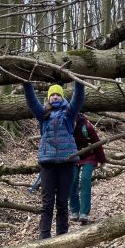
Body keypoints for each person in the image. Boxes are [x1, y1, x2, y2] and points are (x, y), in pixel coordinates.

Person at [23, 81, 85, 239]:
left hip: (66, 163)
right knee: (47, 203)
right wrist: (26, 84)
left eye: (58, 94)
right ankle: (44, 237)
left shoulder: (69, 113)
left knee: (63, 203)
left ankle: (62, 238)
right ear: (48, 98)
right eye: (52, 95)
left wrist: (79, 81)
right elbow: (31, 101)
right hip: (47, 164)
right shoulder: (43, 114)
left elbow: (78, 99)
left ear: (63, 97)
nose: (55, 97)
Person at [69, 113, 106, 225]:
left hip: (89, 156)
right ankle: (74, 211)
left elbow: (97, 144)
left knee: (85, 179)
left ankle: (84, 213)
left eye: (73, 123)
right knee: (72, 181)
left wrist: (102, 161)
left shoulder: (87, 127)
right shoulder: (65, 129)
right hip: (74, 157)